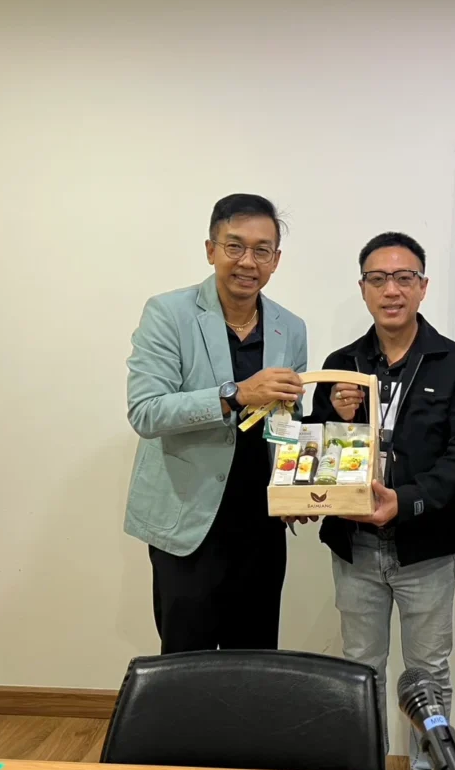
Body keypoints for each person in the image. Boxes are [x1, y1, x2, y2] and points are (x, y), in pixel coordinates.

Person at [308, 232, 455, 770]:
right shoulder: (341, 363)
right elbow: (316, 449)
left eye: (404, 278)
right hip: (355, 546)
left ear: (423, 287)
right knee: (360, 669)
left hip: (424, 547)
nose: (392, 290)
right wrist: (337, 417)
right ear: (363, 288)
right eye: (379, 279)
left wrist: (405, 502)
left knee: (428, 673)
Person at [124, 193, 307, 655]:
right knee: (186, 665)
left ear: (276, 260)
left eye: (262, 250)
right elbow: (146, 411)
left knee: (254, 663)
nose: (248, 262)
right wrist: (235, 394)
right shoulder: (168, 313)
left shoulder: (290, 327)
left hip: (262, 527)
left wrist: (296, 484)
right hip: (189, 524)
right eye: (234, 246)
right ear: (211, 250)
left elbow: (288, 419)